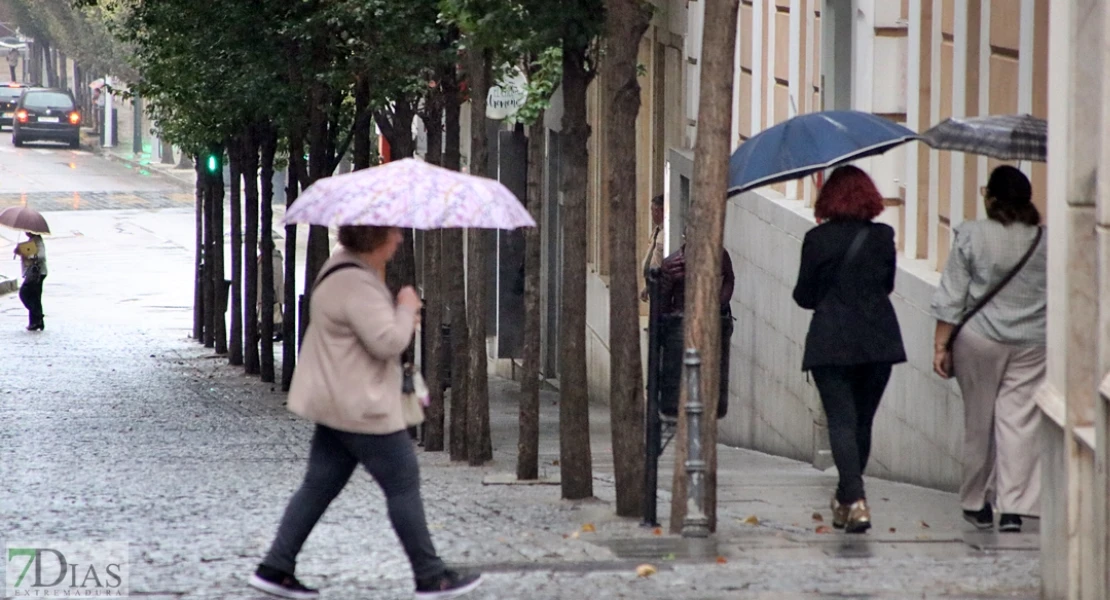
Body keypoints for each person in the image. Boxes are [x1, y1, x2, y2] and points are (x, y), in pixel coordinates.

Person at [248, 225, 482, 600]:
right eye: (393, 233)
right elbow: (388, 341)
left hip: (337, 400)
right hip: (360, 405)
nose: (400, 239)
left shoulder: (342, 267)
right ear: (376, 239)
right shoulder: (356, 283)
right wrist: (406, 309)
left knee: (319, 484)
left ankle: (275, 566)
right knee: (402, 480)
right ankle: (431, 576)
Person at [930, 165, 1046, 534]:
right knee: (1020, 423)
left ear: (991, 198)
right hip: (1032, 341)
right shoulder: (1045, 239)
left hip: (978, 340)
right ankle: (1014, 508)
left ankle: (976, 502)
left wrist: (940, 345)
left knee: (978, 422)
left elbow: (952, 297)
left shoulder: (971, 234)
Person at [792, 165, 906, 534]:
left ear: (829, 199)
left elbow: (803, 295)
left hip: (832, 341)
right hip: (878, 340)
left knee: (841, 421)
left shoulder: (817, 239)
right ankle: (847, 499)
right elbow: (887, 284)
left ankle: (855, 500)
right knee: (862, 421)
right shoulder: (882, 236)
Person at [655, 230, 735, 418]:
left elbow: (729, 281)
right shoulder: (672, 264)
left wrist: (717, 305)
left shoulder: (720, 256)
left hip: (708, 320)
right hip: (680, 325)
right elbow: (664, 300)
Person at [15, 232, 47, 331]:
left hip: (37, 273)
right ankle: (36, 323)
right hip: (31, 273)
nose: (26, 232)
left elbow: (40, 255)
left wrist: (26, 252)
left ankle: (38, 316)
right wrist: (19, 250)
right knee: (34, 298)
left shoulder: (38, 241)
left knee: (24, 294)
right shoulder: (32, 241)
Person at [640, 194, 666, 301]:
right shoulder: (657, 231)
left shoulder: (666, 233)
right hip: (651, 281)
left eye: (653, 210)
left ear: (660, 211)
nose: (652, 214)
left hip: (660, 283)